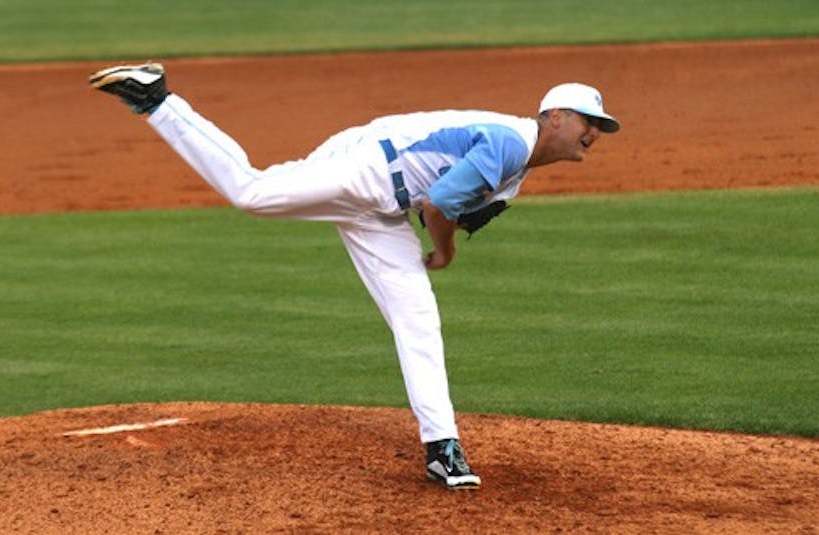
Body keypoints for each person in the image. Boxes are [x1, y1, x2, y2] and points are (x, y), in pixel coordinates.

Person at [88, 62, 620, 490]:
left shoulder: (512, 179)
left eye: (599, 125)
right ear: (553, 115)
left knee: (418, 318)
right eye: (585, 120)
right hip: (364, 165)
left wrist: (439, 239)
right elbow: (438, 208)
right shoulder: (508, 141)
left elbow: (444, 206)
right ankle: (157, 98)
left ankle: (442, 448)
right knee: (253, 194)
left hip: (382, 212)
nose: (593, 132)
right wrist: (443, 252)